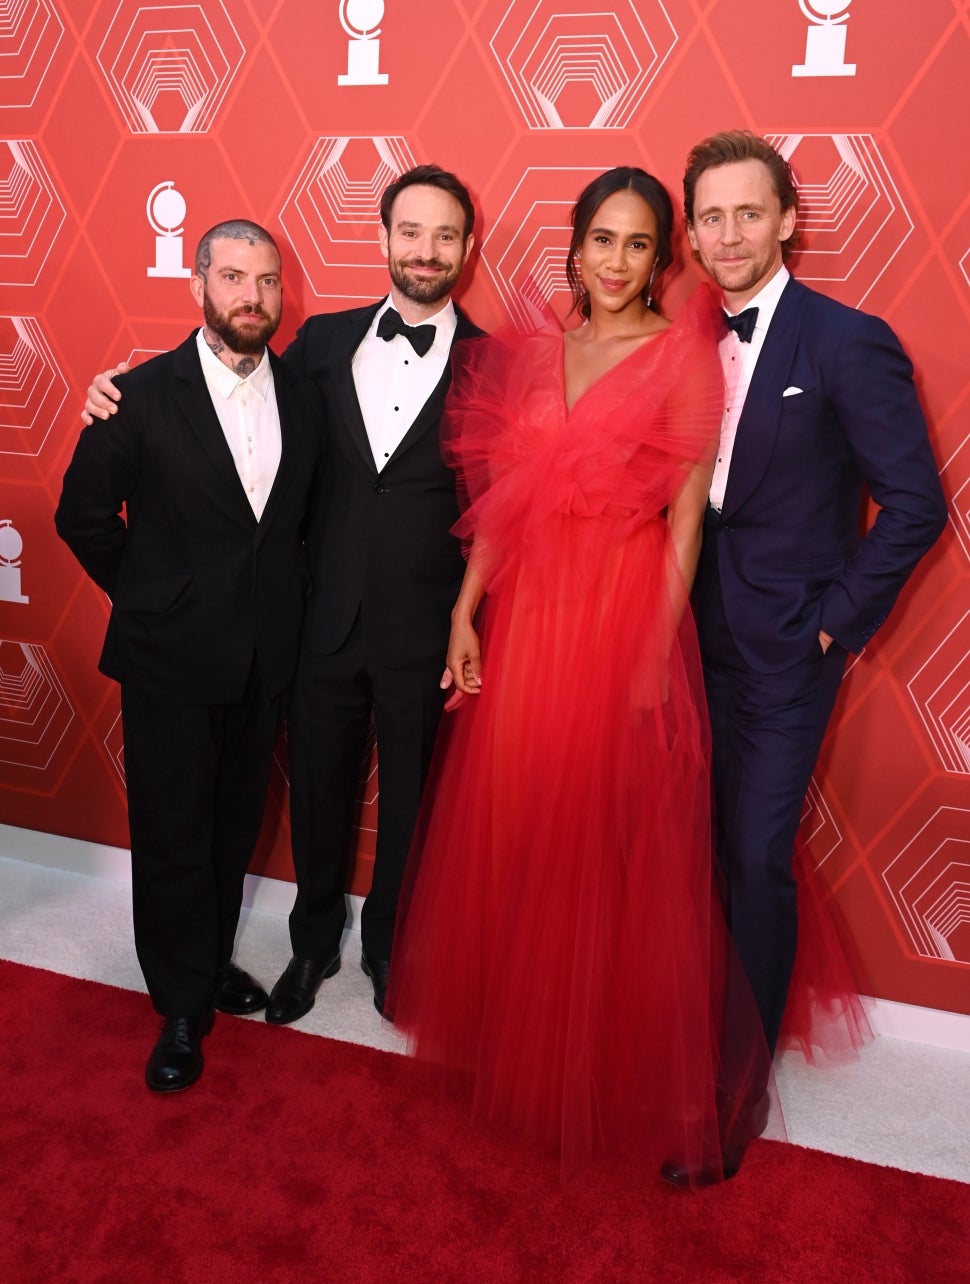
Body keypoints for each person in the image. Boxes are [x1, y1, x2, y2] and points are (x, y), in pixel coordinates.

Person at [386, 168, 771, 1185]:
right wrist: (466, 611)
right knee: (520, 819)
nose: (616, 260)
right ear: (577, 244)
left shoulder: (684, 358)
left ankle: (593, 1057)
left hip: (617, 612)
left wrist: (649, 656)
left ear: (662, 258)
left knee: (602, 838)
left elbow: (685, 525)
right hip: (528, 614)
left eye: (638, 244)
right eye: (603, 238)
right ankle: (517, 1037)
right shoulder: (533, 353)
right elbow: (507, 500)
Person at [82, 166, 484, 1021]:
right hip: (315, 623)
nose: (425, 250)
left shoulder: (493, 364)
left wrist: (465, 618)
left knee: (413, 808)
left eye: (444, 234)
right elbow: (224, 404)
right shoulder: (321, 347)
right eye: (410, 231)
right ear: (383, 239)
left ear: (467, 247)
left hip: (423, 628)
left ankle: (391, 949)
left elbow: (502, 500)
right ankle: (310, 946)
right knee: (315, 797)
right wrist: (111, 395)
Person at [673, 131, 947, 1175]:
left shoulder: (847, 340)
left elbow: (915, 504)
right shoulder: (680, 338)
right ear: (691, 232)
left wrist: (832, 623)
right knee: (688, 853)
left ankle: (735, 1088)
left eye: (749, 213)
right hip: (678, 642)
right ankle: (682, 1032)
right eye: (710, 217)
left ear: (787, 219)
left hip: (786, 652)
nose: (728, 235)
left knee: (753, 857)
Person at [57, 220, 324, 1090]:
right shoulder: (136, 395)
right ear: (199, 286)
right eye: (234, 277)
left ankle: (207, 964)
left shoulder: (303, 394)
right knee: (173, 835)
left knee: (229, 829)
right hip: (169, 657)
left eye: (267, 280)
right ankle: (178, 1006)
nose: (253, 296)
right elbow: (81, 515)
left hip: (263, 658)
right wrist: (152, 597)